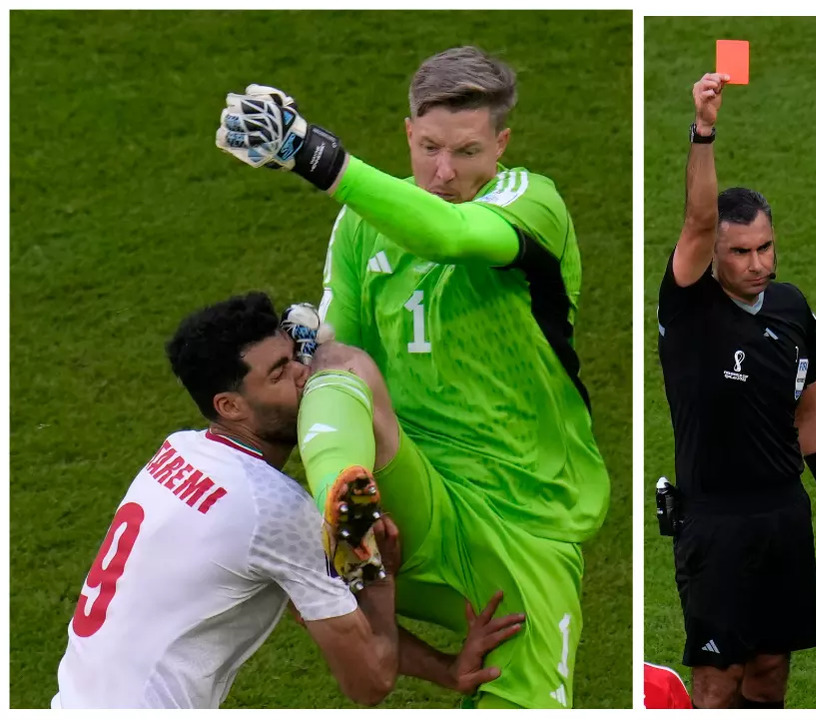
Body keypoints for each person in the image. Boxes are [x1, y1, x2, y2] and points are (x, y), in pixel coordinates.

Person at [214, 46, 609, 708]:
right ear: (407, 134)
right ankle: (346, 510)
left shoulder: (532, 203)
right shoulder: (364, 226)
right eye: (428, 148)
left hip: (526, 525)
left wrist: (316, 155)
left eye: (467, 153)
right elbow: (343, 360)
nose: (444, 172)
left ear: (501, 143)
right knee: (340, 367)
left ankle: (347, 538)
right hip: (414, 497)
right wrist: (312, 341)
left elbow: (449, 236)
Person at [53, 293, 521, 708]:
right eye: (279, 372)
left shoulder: (176, 452)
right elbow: (370, 681)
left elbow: (315, 606)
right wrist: (380, 579)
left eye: (293, 356)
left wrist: (445, 670)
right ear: (229, 406)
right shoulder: (272, 509)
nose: (304, 372)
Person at [654, 72, 816, 709]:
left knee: (772, 667)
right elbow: (696, 220)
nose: (759, 264)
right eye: (742, 252)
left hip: (781, 514)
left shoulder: (791, 309)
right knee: (719, 681)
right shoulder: (689, 308)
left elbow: (810, 408)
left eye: (766, 247)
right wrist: (704, 128)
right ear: (714, 254)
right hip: (714, 522)